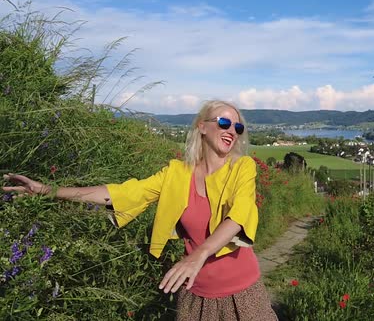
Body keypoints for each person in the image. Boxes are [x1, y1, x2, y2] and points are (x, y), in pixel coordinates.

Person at [2, 100, 278, 321]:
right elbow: (121, 194)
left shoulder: (242, 167)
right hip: (194, 291)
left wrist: (199, 255)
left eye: (237, 127)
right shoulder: (175, 174)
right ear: (202, 127)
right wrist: (48, 190)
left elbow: (238, 216)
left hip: (242, 292)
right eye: (223, 122)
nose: (231, 130)